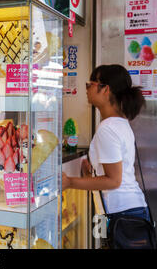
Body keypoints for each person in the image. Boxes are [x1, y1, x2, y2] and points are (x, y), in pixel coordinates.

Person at [62, 64, 149, 222]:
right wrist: (91, 173)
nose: (87, 89)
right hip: (130, 210)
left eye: (90, 84)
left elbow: (114, 180)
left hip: (123, 213)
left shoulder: (107, 128)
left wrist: (69, 182)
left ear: (105, 89)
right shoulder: (120, 123)